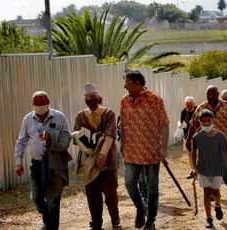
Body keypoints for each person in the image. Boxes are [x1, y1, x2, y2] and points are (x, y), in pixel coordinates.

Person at [120, 70, 170, 230]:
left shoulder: (155, 100)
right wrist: (122, 144)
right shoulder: (124, 101)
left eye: (127, 83)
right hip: (131, 150)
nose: (125, 86)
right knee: (129, 183)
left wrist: (163, 148)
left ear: (137, 83)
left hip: (151, 152)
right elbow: (123, 125)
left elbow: (164, 124)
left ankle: (151, 221)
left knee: (152, 187)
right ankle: (141, 208)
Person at [15, 91, 71, 230]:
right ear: (33, 106)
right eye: (38, 108)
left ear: (48, 105)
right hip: (36, 164)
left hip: (55, 164)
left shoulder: (59, 117)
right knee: (36, 197)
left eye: (43, 108)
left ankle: (51, 227)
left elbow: (66, 139)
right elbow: (21, 141)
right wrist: (18, 162)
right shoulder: (28, 119)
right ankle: (48, 220)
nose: (41, 113)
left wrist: (51, 136)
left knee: (53, 199)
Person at [72, 83, 121, 230]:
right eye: (87, 97)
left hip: (108, 160)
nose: (90, 99)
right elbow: (76, 136)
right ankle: (96, 223)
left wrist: (102, 154)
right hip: (88, 162)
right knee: (92, 194)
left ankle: (115, 220)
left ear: (98, 97)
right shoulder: (81, 116)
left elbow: (110, 135)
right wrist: (82, 141)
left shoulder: (108, 114)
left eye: (92, 97)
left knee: (110, 193)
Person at [186, 85, 227, 198]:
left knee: (226, 170)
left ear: (218, 94)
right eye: (208, 94)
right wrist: (189, 139)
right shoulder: (201, 107)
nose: (211, 96)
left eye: (213, 94)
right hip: (208, 144)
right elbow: (193, 124)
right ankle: (211, 192)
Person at [190, 109, 227, 229]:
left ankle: (218, 205)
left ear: (213, 120)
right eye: (203, 121)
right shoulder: (197, 137)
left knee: (216, 192)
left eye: (208, 120)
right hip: (203, 169)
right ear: (199, 121)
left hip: (217, 169)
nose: (206, 123)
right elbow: (193, 153)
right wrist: (194, 168)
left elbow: (226, 152)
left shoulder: (220, 136)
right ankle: (209, 218)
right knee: (206, 192)